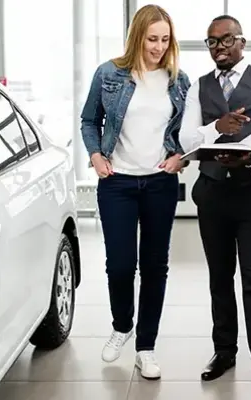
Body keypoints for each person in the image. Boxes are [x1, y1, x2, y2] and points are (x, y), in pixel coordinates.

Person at [178, 15, 251, 400]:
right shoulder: (198, 87)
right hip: (212, 193)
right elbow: (187, 138)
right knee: (219, 278)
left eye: (226, 40)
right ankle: (224, 351)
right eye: (212, 43)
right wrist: (217, 128)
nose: (219, 48)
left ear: (242, 41)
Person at [80, 4, 190, 380]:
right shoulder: (109, 74)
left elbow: (187, 134)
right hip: (118, 183)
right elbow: (89, 119)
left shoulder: (179, 80)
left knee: (155, 266)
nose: (159, 47)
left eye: (165, 39)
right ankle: (122, 326)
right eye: (152, 39)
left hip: (160, 183)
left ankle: (146, 347)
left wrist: (180, 158)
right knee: (121, 264)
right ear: (137, 36)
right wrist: (95, 154)